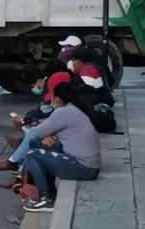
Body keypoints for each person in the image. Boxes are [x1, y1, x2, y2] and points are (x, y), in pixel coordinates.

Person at [21, 82, 101, 212]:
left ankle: (46, 198)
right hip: (87, 164)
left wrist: (46, 134)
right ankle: (49, 193)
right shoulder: (73, 109)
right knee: (39, 148)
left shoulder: (64, 112)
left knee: (32, 155)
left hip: (84, 166)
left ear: (57, 99)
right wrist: (48, 135)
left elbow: (37, 132)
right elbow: (45, 132)